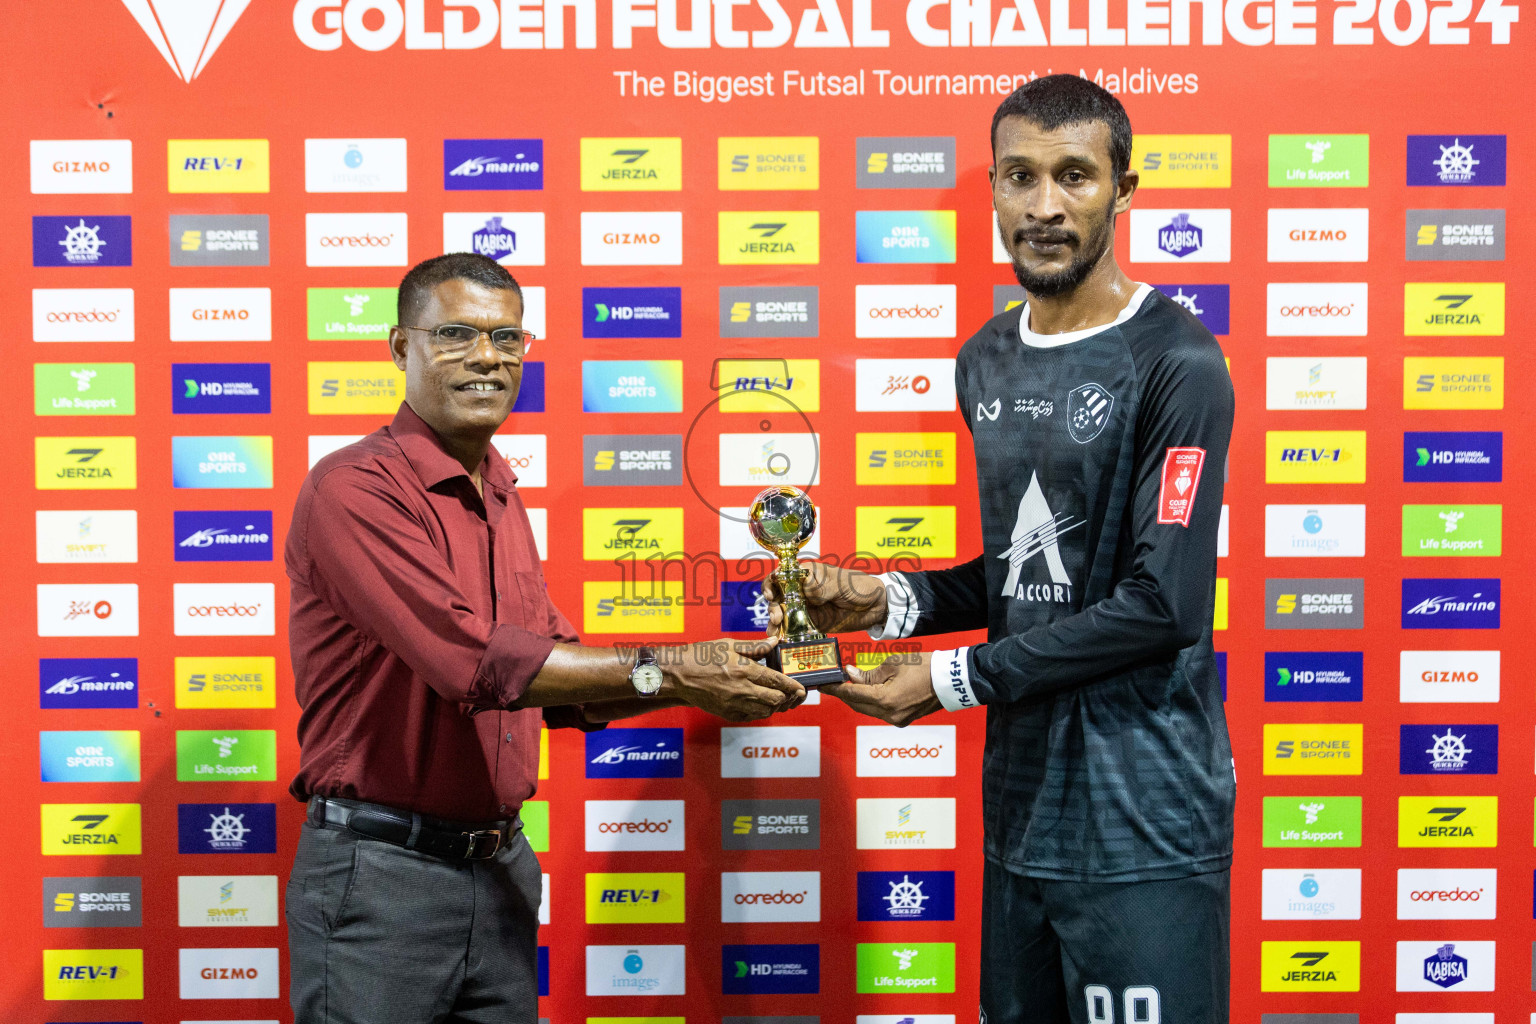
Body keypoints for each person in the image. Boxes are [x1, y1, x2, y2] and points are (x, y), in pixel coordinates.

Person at [773, 76, 1235, 1023]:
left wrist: (946, 683)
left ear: (1125, 188)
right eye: (1020, 177)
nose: (1045, 206)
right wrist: (884, 602)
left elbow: (1161, 603)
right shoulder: (984, 355)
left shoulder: (1177, 361)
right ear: (992, 188)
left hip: (1142, 816)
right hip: (1022, 812)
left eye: (1075, 176)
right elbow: (1036, 573)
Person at [285, 252, 804, 1024]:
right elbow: (474, 664)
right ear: (401, 347)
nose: (488, 357)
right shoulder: (353, 488)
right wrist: (682, 669)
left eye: (508, 339)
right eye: (456, 333)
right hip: (382, 881)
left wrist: (714, 671)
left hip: (498, 873)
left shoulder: (499, 492)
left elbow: (562, 682)